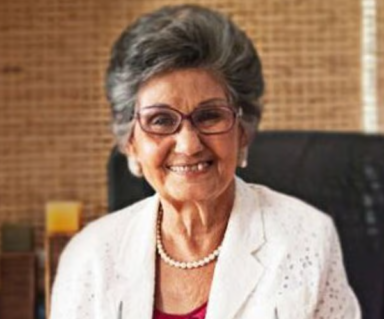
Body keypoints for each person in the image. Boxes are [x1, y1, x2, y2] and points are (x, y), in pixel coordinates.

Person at [50, 4, 361, 319]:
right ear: (130, 142)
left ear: (243, 130)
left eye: (210, 116)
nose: (188, 145)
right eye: (160, 120)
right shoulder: (89, 257)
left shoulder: (305, 241)